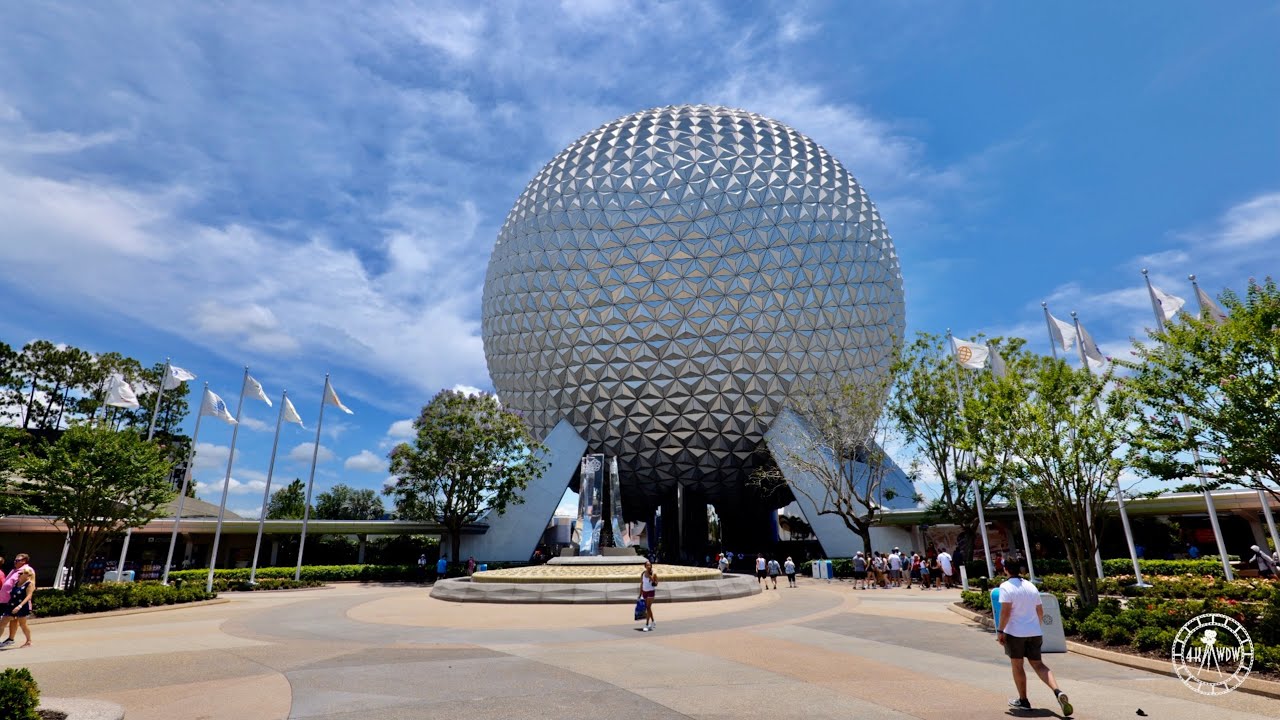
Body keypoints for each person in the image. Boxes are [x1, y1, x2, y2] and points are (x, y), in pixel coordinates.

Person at [997, 559, 1072, 715]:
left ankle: (1024, 700)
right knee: (1039, 665)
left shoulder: (1005, 587)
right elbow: (1040, 611)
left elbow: (1005, 612)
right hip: (1034, 632)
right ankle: (1057, 691)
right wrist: (1036, 626)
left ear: (1006, 570)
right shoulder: (1031, 586)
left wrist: (1000, 630)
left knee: (1017, 665)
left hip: (1015, 633)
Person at [2, 557, 34, 648]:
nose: (19, 574)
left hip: (21, 606)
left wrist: (19, 606)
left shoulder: (29, 584)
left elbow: (28, 596)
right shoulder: (17, 583)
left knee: (23, 624)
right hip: (12, 605)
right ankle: (10, 639)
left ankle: (29, 641)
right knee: (2, 623)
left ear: (27, 575)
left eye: (22, 573)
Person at [638, 560, 659, 631]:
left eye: (650, 565)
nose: (649, 566)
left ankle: (647, 624)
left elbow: (656, 583)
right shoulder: (643, 574)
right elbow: (641, 584)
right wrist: (640, 594)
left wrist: (651, 578)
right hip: (644, 592)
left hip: (651, 592)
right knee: (648, 608)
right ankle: (653, 622)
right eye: (647, 565)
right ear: (645, 566)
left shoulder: (654, 573)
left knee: (648, 607)